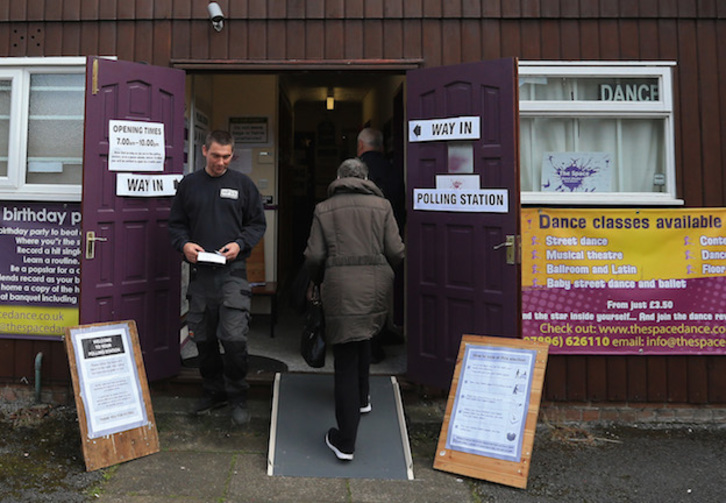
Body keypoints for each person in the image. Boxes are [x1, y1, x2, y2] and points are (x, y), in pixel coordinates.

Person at [304, 158, 405, 461]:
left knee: (345, 356)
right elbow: (397, 251)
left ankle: (345, 441)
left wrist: (316, 279)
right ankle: (362, 399)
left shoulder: (324, 209)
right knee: (365, 337)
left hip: (340, 285)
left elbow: (314, 255)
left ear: (339, 177)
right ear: (365, 178)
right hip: (376, 285)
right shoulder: (383, 206)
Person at [169, 130, 266, 426]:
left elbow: (256, 224)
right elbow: (176, 226)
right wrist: (185, 245)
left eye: (226, 157)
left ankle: (237, 395)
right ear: (204, 151)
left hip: (233, 274)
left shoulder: (243, 185)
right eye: (216, 156)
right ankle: (213, 390)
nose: (221, 162)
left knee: (234, 338)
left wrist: (240, 244)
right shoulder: (189, 185)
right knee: (205, 339)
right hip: (201, 276)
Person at [356, 127, 406, 361]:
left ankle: (369, 344)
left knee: (362, 293)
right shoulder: (393, 169)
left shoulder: (356, 170)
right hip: (388, 238)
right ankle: (381, 331)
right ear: (382, 146)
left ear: (360, 146)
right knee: (382, 291)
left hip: (360, 239)